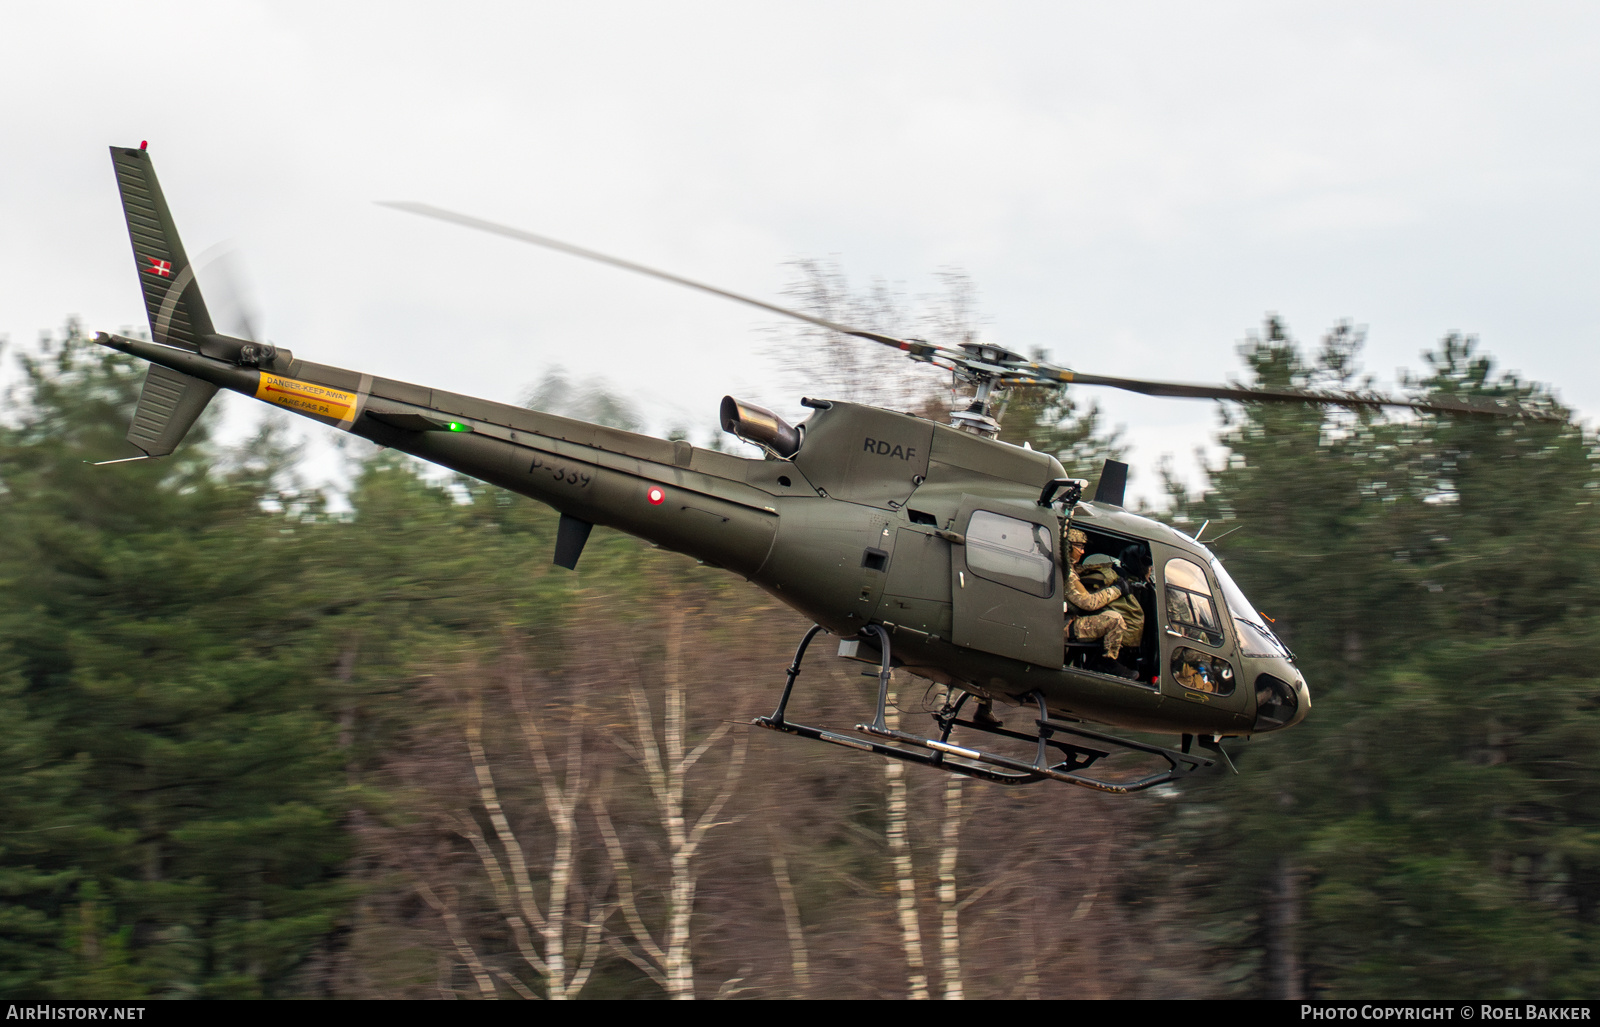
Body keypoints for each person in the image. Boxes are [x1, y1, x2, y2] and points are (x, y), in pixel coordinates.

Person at [1063, 528, 1136, 679]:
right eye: (1080, 547)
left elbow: (1082, 569)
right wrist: (1118, 590)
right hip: (1066, 626)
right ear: (1068, 547)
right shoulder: (1067, 575)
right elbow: (1089, 603)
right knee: (1114, 619)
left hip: (1067, 620)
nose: (1083, 552)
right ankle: (1106, 661)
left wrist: (1111, 568)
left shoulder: (1068, 568)